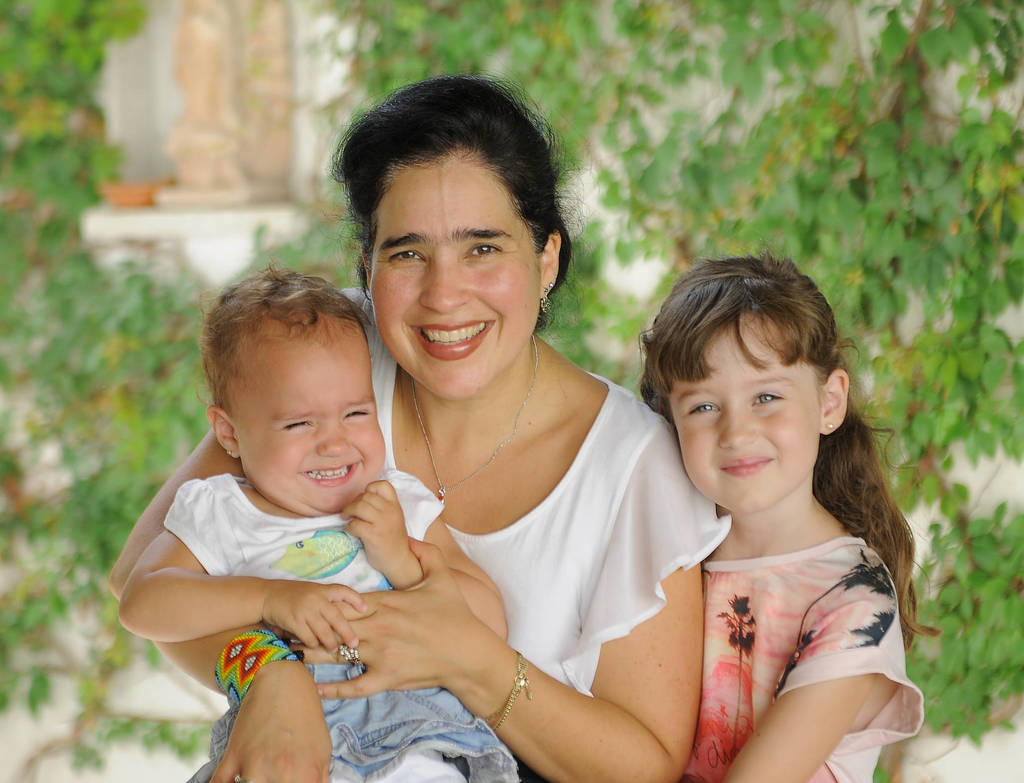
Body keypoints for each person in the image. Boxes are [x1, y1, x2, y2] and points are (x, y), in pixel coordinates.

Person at [109, 74, 725, 783]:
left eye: (483, 248)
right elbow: (142, 580)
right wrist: (265, 668)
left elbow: (643, 764)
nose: (443, 295)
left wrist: (471, 661)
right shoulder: (330, 359)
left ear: (547, 257)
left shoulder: (633, 467)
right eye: (407, 253)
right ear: (366, 266)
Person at [117, 266, 518, 782]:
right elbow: (141, 602)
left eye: (356, 414)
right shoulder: (222, 511)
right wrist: (268, 598)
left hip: (419, 741)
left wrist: (401, 558)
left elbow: (490, 621)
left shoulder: (394, 502)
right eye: (299, 423)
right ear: (229, 433)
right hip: (282, 750)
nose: (334, 442)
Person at [640, 253, 926, 783]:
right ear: (671, 421)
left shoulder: (855, 600)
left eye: (766, 397)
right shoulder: (666, 559)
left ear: (830, 403)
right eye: (703, 407)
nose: (736, 432)